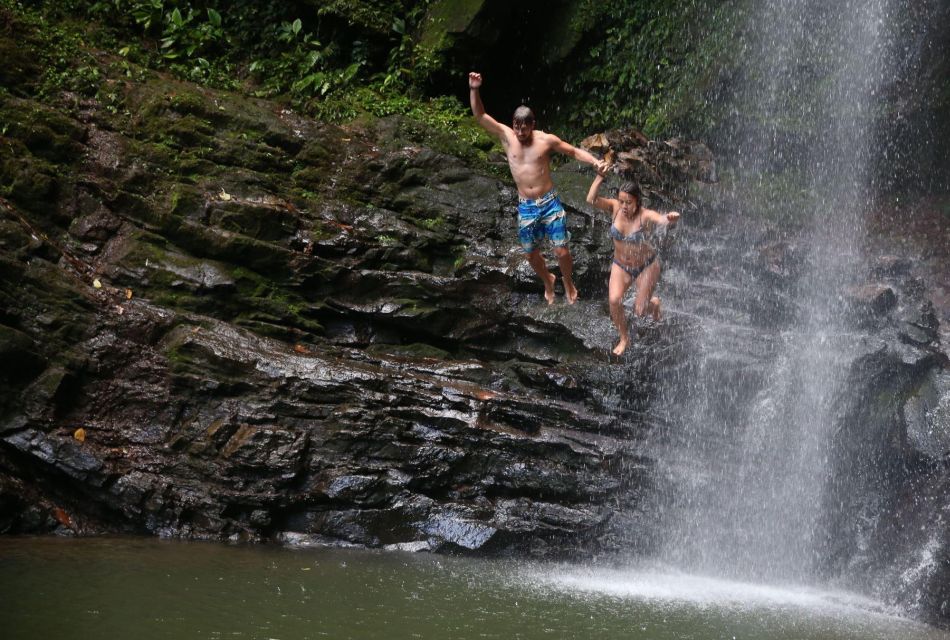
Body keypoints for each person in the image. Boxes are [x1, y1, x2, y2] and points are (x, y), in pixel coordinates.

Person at [468, 71, 606, 304]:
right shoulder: (506, 136)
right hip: (526, 206)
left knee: (561, 250)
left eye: (525, 128)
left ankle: (568, 281)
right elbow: (480, 115)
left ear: (533, 125)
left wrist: (594, 161)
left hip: (549, 201)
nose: (520, 132)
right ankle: (548, 279)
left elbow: (572, 151)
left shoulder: (545, 140)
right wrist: (474, 89)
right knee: (530, 253)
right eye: (517, 127)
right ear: (513, 124)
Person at [586, 167, 680, 355]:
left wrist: (670, 218)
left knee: (639, 311)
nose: (624, 206)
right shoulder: (614, 207)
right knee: (613, 300)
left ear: (638, 201)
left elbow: (661, 219)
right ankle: (624, 338)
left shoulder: (644, 215)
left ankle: (653, 304)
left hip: (646, 266)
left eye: (628, 202)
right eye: (621, 201)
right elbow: (591, 200)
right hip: (621, 265)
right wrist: (599, 177)